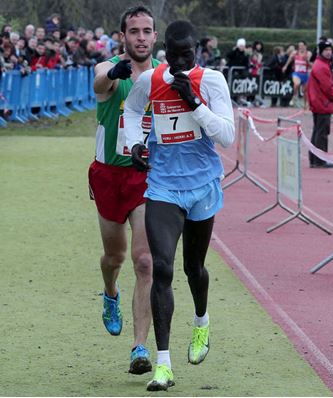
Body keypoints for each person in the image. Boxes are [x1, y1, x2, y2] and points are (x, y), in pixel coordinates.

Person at [123, 19, 234, 391]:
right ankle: (164, 365)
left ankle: (202, 322)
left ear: (197, 50)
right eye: (175, 56)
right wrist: (135, 144)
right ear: (165, 53)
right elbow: (133, 111)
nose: (182, 62)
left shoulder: (212, 81)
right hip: (163, 187)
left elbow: (228, 136)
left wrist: (194, 103)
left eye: (188, 54)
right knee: (162, 268)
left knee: (193, 268)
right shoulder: (150, 80)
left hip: (202, 185)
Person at [88, 5, 159, 377]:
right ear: (123, 37)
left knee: (145, 260)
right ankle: (110, 293)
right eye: (134, 31)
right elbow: (100, 81)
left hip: (145, 177)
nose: (141, 37)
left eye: (147, 31)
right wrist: (113, 73)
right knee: (113, 257)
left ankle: (140, 347)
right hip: (108, 176)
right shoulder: (111, 69)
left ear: (155, 36)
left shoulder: (164, 75)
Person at [306, 40, 333, 168]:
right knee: (321, 133)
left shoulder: (320, 64)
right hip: (322, 104)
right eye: (326, 50)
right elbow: (328, 87)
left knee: (317, 132)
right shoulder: (322, 66)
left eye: (330, 50)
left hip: (319, 103)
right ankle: (319, 160)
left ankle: (315, 159)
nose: (329, 52)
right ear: (320, 51)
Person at [282, 40, 311, 106]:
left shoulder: (308, 53)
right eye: (299, 46)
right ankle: (294, 96)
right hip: (296, 73)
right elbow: (289, 59)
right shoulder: (295, 53)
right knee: (296, 84)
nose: (300, 47)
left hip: (305, 74)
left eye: (302, 45)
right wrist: (285, 66)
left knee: (305, 91)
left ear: (305, 46)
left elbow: (310, 64)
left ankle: (305, 105)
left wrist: (306, 60)